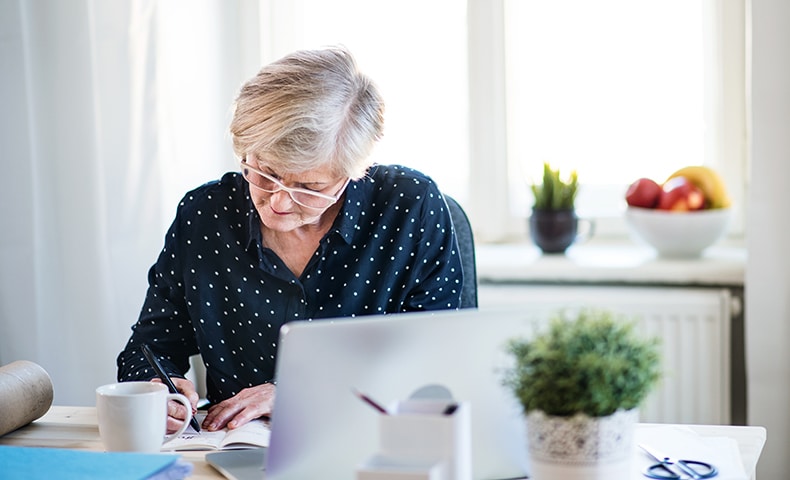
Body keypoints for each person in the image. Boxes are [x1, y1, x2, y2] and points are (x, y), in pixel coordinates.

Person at [116, 46, 464, 434]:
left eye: (309, 186)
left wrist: (303, 393)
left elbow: (436, 364)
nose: (278, 201)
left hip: (371, 442)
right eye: (264, 173)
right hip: (235, 449)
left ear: (353, 171)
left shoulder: (408, 207)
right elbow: (149, 347)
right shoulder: (205, 215)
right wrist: (157, 390)